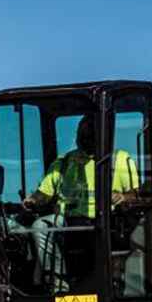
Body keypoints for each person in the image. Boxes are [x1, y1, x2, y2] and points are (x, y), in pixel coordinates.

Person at [19, 116, 139, 289]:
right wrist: (32, 200)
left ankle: (113, 284)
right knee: (40, 227)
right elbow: (44, 193)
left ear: (103, 135)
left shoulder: (120, 160)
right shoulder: (64, 162)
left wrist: (123, 197)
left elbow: (136, 194)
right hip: (68, 223)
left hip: (106, 221)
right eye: (81, 136)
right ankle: (59, 285)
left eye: (90, 135)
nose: (85, 140)